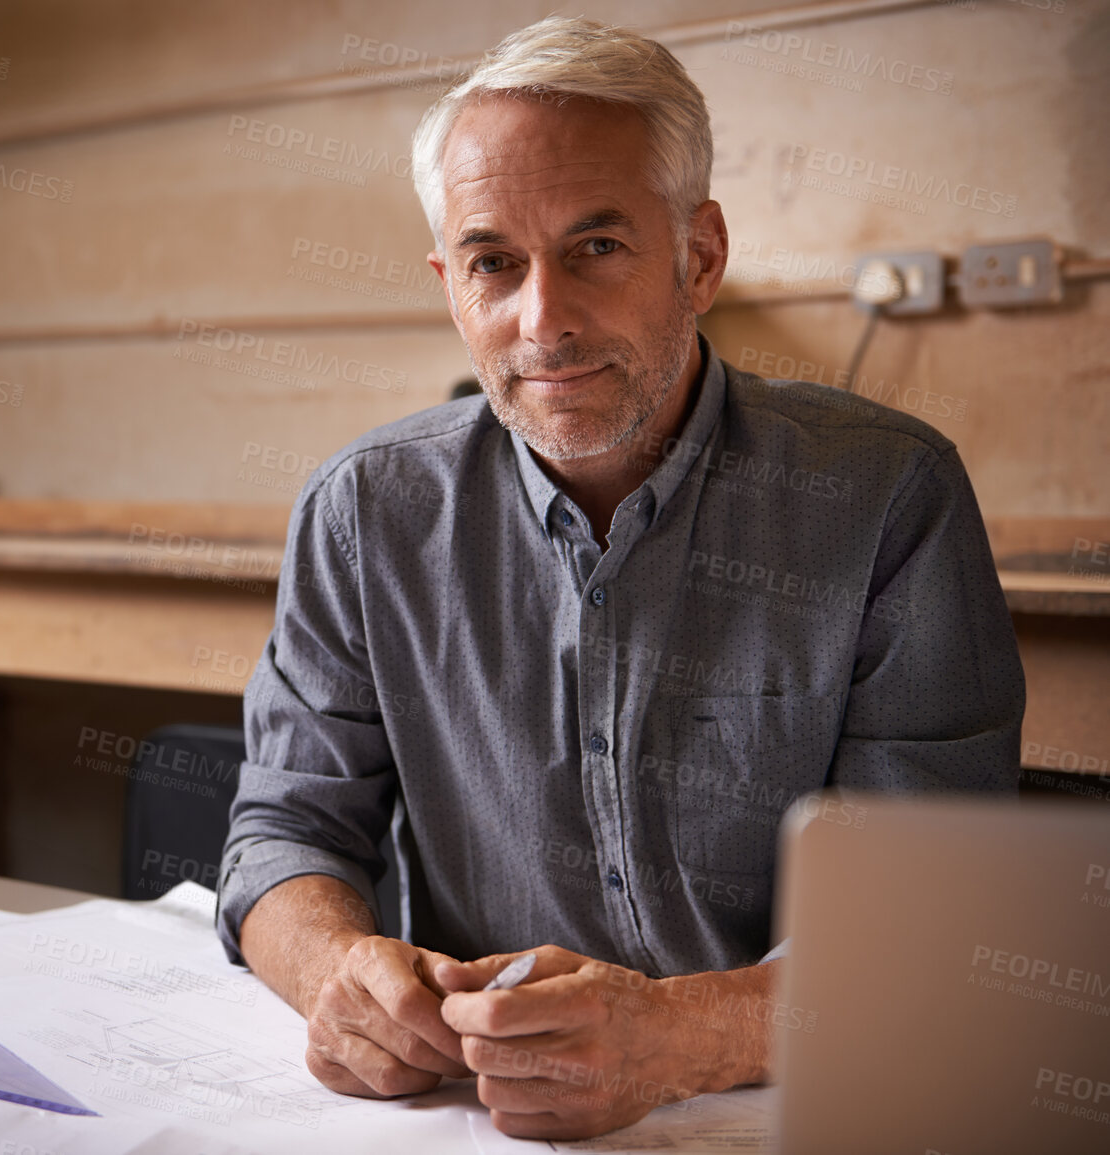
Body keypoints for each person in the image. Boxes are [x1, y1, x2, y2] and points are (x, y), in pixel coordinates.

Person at [215, 14, 1024, 1141]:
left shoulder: (889, 497)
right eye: (495, 263)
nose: (542, 321)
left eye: (597, 247)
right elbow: (283, 833)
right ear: (451, 282)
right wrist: (335, 972)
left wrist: (681, 1036)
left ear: (700, 256)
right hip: (474, 1121)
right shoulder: (365, 513)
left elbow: (939, 911)